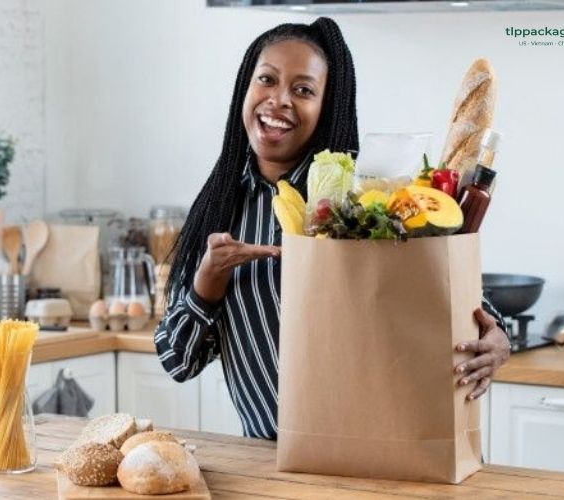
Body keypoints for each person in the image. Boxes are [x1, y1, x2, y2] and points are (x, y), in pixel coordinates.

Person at [154, 17, 510, 440]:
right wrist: (208, 283)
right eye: (266, 80)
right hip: (280, 468)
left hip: (399, 453)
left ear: (328, 105)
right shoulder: (218, 212)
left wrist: (497, 338)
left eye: (303, 90)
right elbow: (178, 362)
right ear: (244, 90)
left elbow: (465, 300)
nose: (278, 100)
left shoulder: (372, 193)